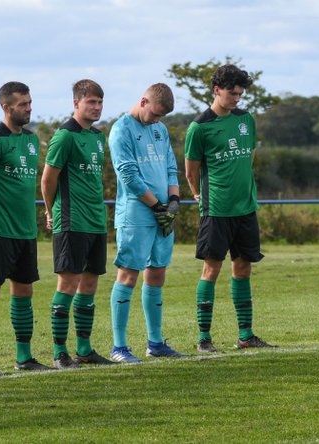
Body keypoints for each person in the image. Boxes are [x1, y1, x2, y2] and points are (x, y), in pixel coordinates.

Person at [184, 64, 275, 352]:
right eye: (232, 93)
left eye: (240, 94)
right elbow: (191, 171)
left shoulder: (246, 120)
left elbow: (249, 156)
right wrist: (199, 195)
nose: (237, 98)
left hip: (246, 208)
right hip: (217, 211)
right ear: (216, 90)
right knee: (212, 269)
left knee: (244, 267)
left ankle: (245, 335)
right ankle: (203, 339)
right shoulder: (200, 127)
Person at [0, 81, 52, 376]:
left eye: (30, 103)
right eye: (23, 104)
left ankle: (24, 357)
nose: (29, 109)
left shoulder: (30, 139)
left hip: (26, 231)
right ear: (6, 107)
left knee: (24, 291)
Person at [107, 83, 185, 362]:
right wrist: (157, 204)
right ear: (143, 101)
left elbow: (170, 166)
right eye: (154, 114)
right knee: (129, 274)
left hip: (164, 213)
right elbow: (127, 174)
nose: (157, 121)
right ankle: (119, 347)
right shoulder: (121, 130)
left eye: (161, 117)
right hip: (137, 214)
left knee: (157, 273)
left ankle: (155, 343)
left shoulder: (160, 129)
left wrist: (174, 200)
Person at [41, 79, 115, 369]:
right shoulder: (64, 136)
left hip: (96, 220)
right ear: (76, 103)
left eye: (99, 102)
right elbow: (48, 179)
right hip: (71, 220)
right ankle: (60, 351)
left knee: (90, 283)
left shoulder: (98, 137)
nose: (96, 108)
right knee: (68, 282)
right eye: (91, 102)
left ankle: (84, 349)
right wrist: (51, 211)